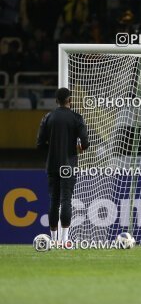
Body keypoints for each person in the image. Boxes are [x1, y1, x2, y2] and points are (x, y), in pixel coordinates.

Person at [37, 87, 89, 243]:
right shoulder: (76, 118)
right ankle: (64, 240)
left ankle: (53, 240)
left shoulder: (48, 117)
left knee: (54, 200)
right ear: (70, 100)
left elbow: (40, 144)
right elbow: (85, 143)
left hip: (52, 164)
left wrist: (52, 150)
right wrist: (78, 148)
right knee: (66, 200)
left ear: (56, 101)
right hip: (68, 165)